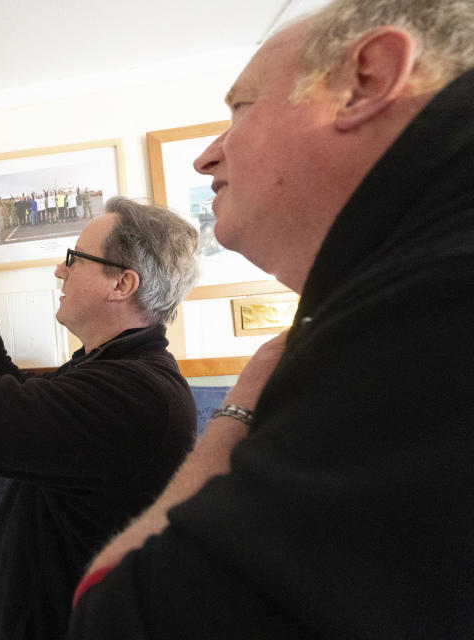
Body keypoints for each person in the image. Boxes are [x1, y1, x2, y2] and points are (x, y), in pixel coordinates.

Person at [68, 1, 474, 637]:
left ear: (366, 80)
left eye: (241, 109)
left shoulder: (437, 301)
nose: (206, 158)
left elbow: (126, 615)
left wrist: (243, 403)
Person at [0, 197, 200, 639]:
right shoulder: (116, 368)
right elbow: (23, 412)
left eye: (75, 259)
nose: (60, 270)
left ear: (123, 284)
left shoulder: (135, 395)